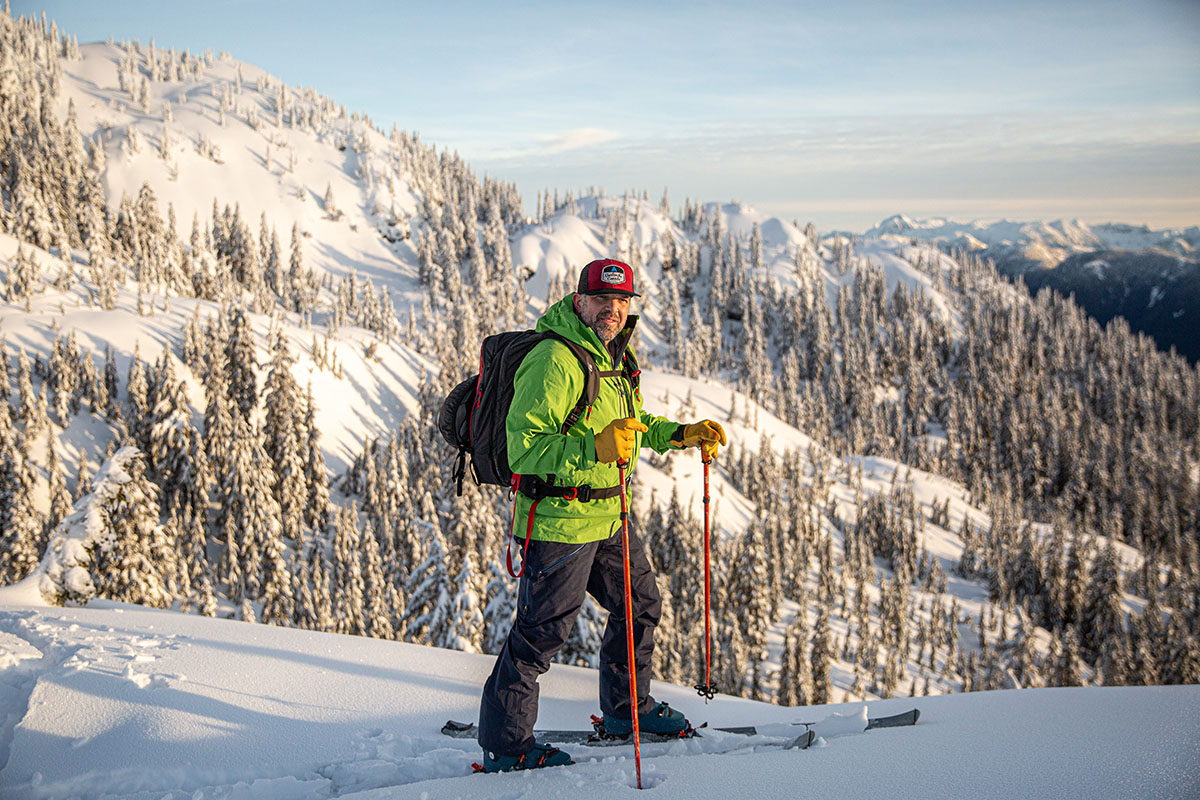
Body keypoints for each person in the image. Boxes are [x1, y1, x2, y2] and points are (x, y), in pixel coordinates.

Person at [476, 258, 727, 772]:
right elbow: (524, 448)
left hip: (610, 516)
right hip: (561, 521)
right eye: (602, 299)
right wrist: (593, 448)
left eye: (622, 301)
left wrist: (679, 434)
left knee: (639, 604)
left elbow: (629, 425)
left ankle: (626, 711)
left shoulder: (612, 356)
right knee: (540, 635)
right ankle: (506, 744)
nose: (612, 309)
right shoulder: (554, 358)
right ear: (580, 300)